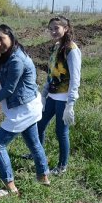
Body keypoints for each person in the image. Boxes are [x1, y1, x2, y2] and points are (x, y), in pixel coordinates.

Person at [0, 24, 50, 196]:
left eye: (1, 39)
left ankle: (10, 188)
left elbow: (8, 90)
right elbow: (5, 78)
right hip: (27, 105)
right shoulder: (9, 55)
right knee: (33, 143)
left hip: (23, 109)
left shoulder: (17, 59)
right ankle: (43, 177)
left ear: (10, 36)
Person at [26, 16, 81, 176]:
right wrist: (43, 95)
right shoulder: (56, 47)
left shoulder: (72, 50)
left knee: (61, 132)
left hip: (64, 99)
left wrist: (70, 103)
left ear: (66, 28)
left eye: (56, 28)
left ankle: (62, 166)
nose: (53, 31)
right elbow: (51, 74)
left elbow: (75, 78)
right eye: (50, 29)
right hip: (52, 96)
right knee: (39, 126)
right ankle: (37, 154)